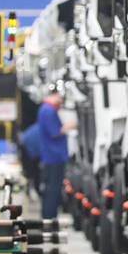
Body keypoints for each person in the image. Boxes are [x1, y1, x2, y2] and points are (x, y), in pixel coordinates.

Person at [38, 87, 75, 221]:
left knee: (50, 187)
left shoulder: (46, 110)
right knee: (53, 188)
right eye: (60, 98)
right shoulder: (48, 111)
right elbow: (54, 132)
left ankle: (48, 215)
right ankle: (49, 216)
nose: (61, 101)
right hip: (54, 156)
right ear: (54, 96)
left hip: (51, 155)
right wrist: (69, 126)